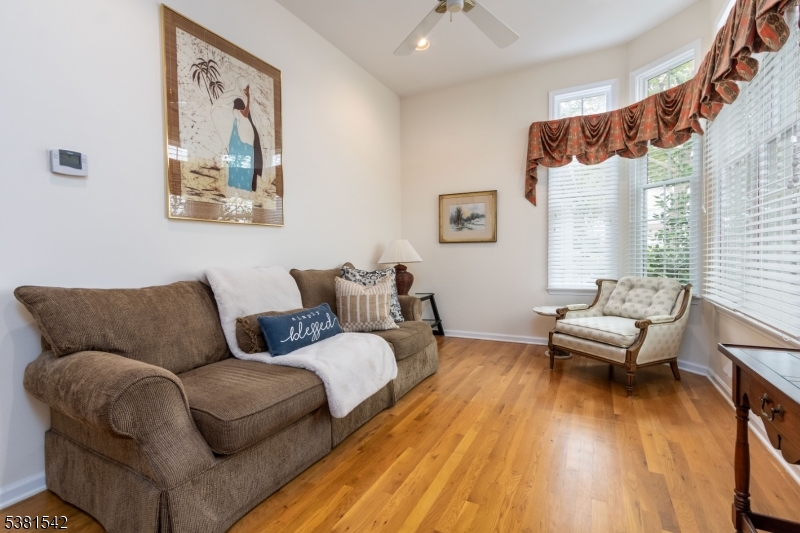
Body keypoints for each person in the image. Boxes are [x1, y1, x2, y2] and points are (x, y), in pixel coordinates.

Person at [211, 78, 264, 193]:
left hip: (242, 139)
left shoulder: (241, 99)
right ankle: (239, 187)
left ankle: (245, 187)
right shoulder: (239, 100)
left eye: (248, 88)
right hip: (239, 138)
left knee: (245, 163)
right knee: (240, 161)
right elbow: (244, 114)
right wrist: (249, 98)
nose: (247, 90)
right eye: (246, 87)